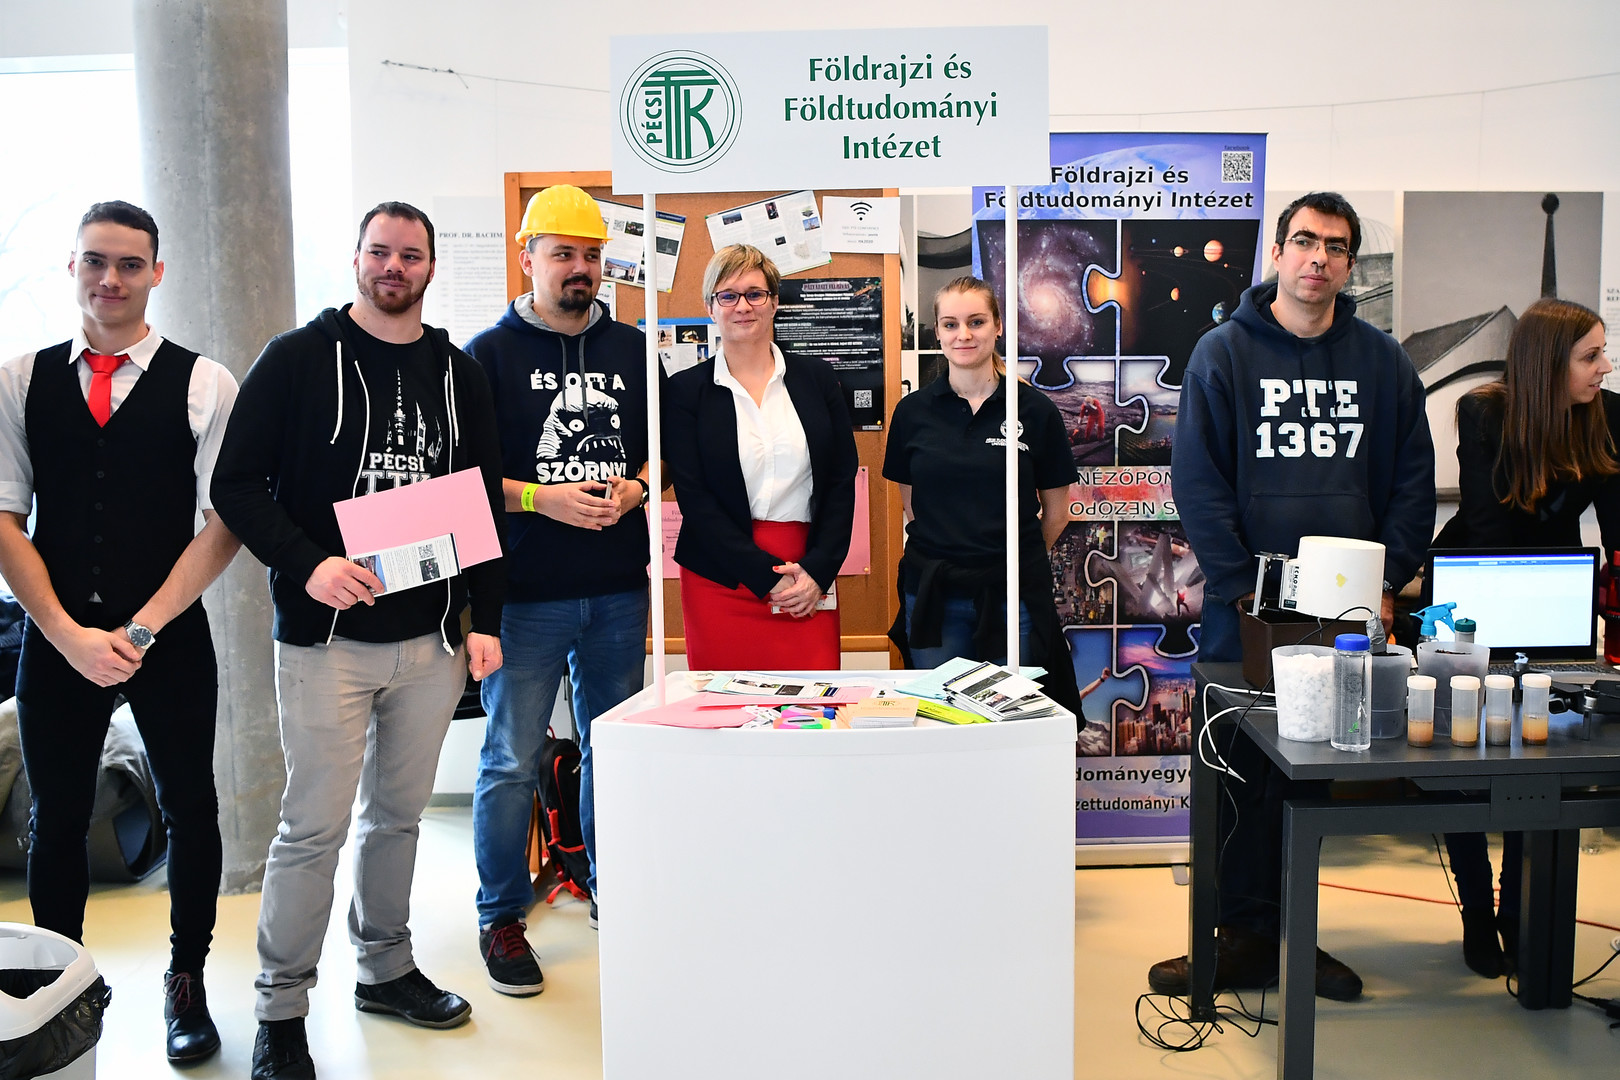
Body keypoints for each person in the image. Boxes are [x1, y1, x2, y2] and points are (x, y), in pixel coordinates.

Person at [211, 202, 507, 1080]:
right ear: (355, 259)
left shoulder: (459, 373)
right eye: (379, 251)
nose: (393, 266)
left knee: (398, 819)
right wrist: (308, 565)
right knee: (312, 829)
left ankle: (385, 968)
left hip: (431, 643)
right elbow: (236, 483)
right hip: (327, 642)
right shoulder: (297, 358)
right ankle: (281, 1009)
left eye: (410, 255)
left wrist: (486, 619)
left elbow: (481, 502)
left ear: (429, 268)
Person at [1152, 192, 1436, 1002]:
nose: (1319, 258)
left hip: (1344, 621)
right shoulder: (1222, 354)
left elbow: (1413, 484)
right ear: (1277, 253)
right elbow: (1199, 485)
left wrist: (1385, 582)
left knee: (1311, 781)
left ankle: (1294, 937)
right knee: (1239, 777)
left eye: (1336, 247)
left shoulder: (1384, 363)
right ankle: (1239, 939)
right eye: (1305, 241)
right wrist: (1249, 598)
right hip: (1244, 620)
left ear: (1349, 265)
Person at [0, 200, 240, 1064]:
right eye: (95, 261)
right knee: (56, 816)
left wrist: (139, 630)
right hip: (56, 634)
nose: (111, 279)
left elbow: (223, 523)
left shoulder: (206, 382)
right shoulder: (20, 379)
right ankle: (59, 987)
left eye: (130, 264)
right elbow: (4, 517)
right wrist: (66, 633)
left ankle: (187, 979)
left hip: (167, 632)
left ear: (156, 273)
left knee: (191, 807)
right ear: (72, 267)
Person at [461, 185, 656, 992]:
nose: (581, 268)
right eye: (563, 253)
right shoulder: (485, 355)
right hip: (525, 597)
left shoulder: (633, 348)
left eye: (592, 255)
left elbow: (661, 452)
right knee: (511, 757)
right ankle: (501, 915)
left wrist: (638, 487)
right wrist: (541, 498)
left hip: (617, 592)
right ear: (527, 257)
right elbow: (464, 479)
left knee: (616, 749)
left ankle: (615, 885)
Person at [1433, 296, 1616, 978]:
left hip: (1554, 600)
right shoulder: (1484, 413)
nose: (1604, 367)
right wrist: (1511, 630)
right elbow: (1487, 530)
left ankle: (1517, 906)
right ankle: (1477, 910)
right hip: (1479, 587)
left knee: (1533, 755)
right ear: (1548, 363)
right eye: (1591, 356)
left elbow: (1619, 530)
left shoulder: (1609, 415)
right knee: (1461, 760)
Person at [882, 277, 1082, 707]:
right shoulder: (912, 413)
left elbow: (1056, 513)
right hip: (934, 596)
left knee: (1013, 719)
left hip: (1013, 596)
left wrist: (1008, 559)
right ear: (937, 332)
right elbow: (912, 506)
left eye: (976, 322)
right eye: (951, 324)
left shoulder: (1035, 410)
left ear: (998, 326)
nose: (964, 335)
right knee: (940, 720)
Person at [664, 244, 858, 669]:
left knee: (810, 702)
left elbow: (841, 482)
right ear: (710, 307)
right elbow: (694, 497)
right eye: (728, 295)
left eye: (755, 293)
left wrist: (816, 571)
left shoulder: (818, 379)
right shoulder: (685, 391)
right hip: (719, 577)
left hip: (805, 575)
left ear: (774, 302)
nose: (742, 306)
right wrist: (762, 576)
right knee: (724, 705)